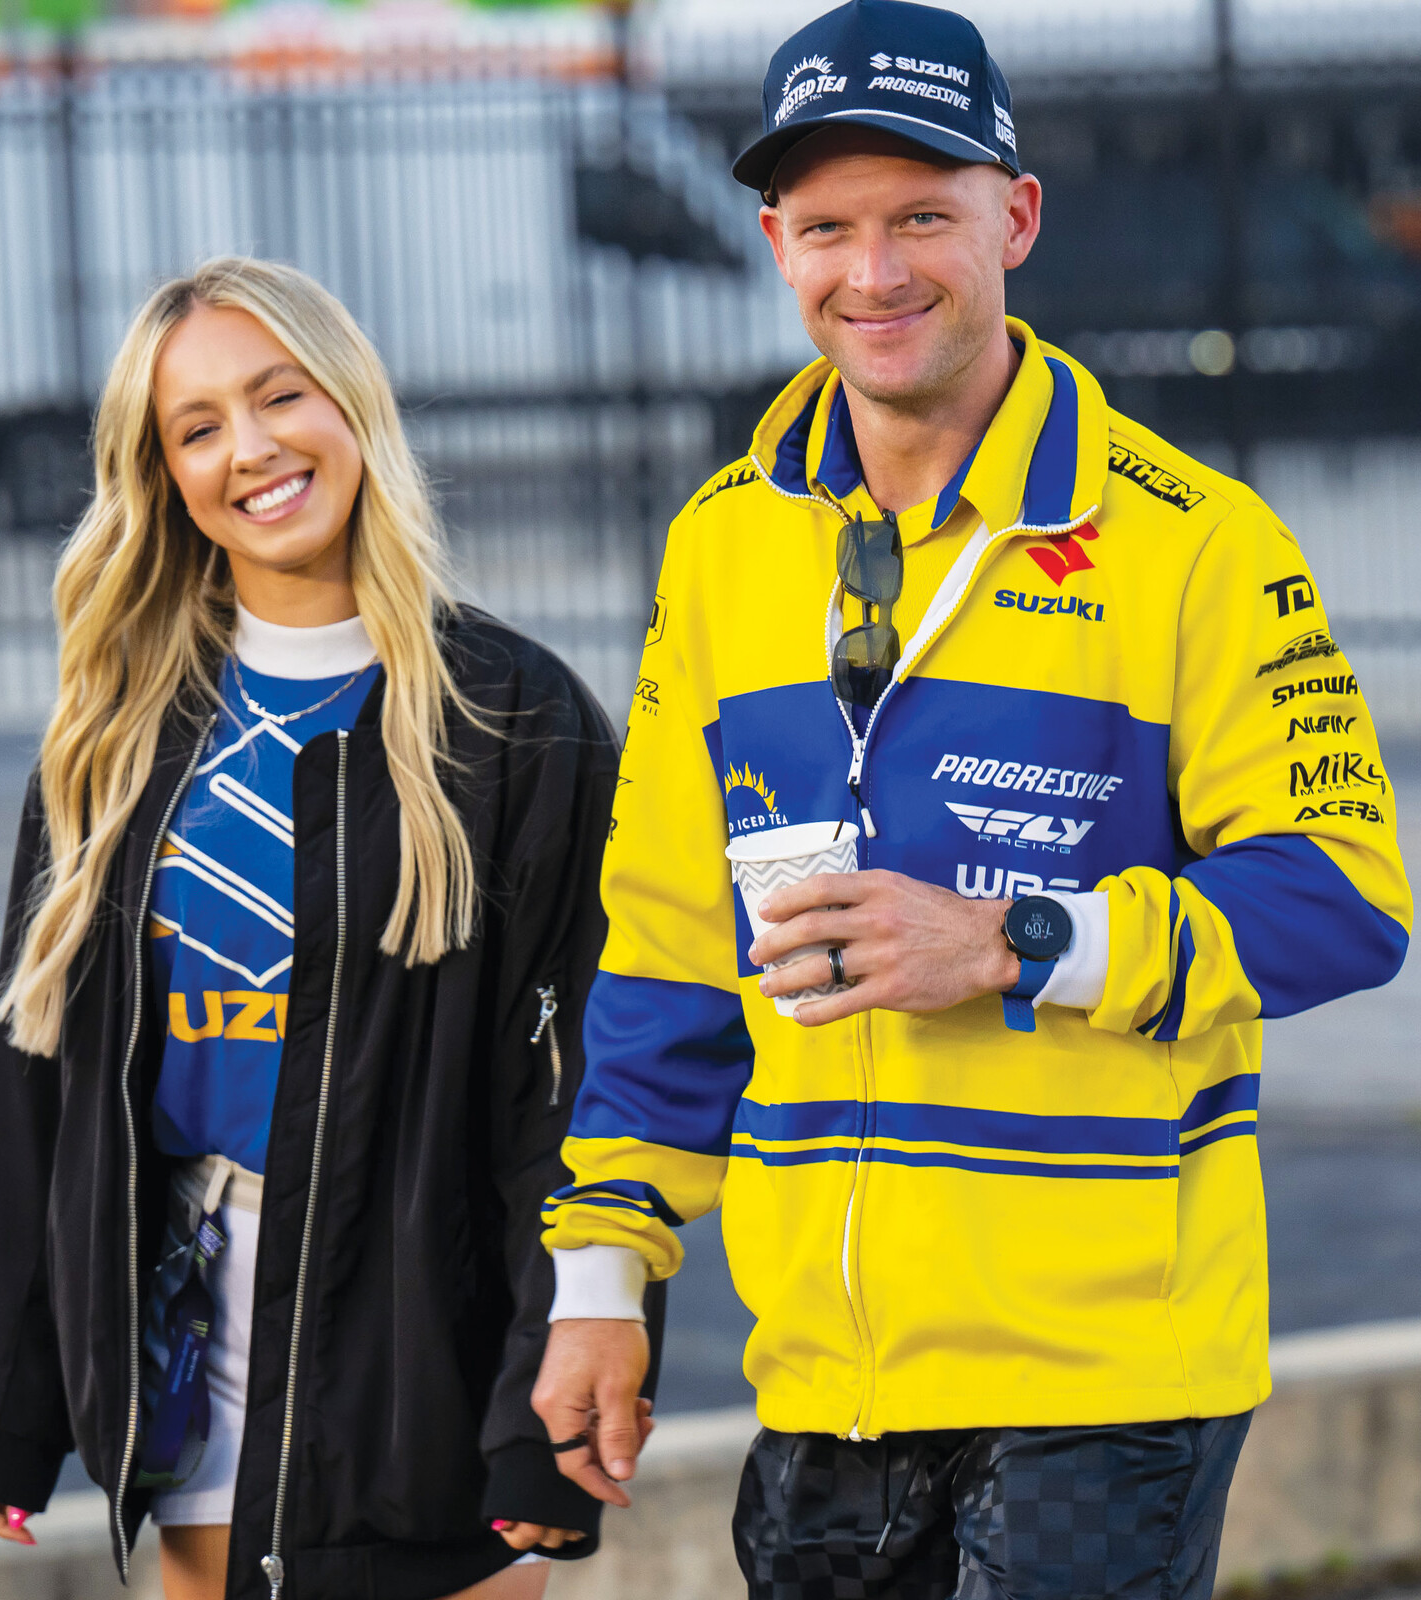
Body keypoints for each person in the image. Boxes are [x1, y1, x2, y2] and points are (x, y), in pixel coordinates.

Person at [532, 3, 1412, 1597]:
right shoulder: (722, 549)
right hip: (827, 1380)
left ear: (1013, 215)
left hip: (1105, 1382)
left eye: (923, 217)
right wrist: (604, 1276)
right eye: (830, 230)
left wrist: (1012, 941)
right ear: (774, 243)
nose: (874, 275)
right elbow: (665, 947)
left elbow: (1346, 899)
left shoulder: (1198, 545)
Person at [0, 256, 648, 1600]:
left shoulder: (516, 720)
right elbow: (38, 1073)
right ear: (163, 476)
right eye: (198, 427)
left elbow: (567, 1100)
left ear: (352, 404)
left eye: (279, 396)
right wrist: (14, 1400)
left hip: (423, 1363)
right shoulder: (114, 736)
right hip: (189, 1353)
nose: (251, 449)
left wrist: (541, 1421)